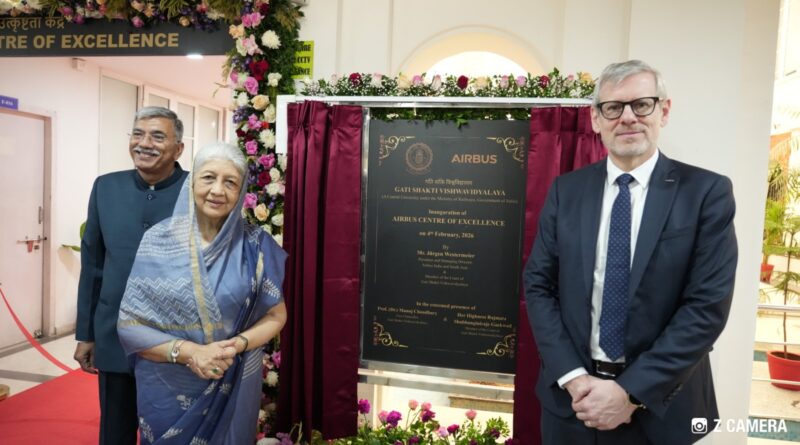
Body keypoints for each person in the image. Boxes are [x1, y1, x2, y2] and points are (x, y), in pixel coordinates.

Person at [524, 60, 738, 445]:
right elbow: (538, 286)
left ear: (664, 111)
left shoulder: (706, 193)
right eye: (613, 107)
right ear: (596, 119)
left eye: (641, 104)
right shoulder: (566, 191)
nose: (627, 118)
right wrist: (574, 378)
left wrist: (630, 393)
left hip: (660, 410)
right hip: (572, 405)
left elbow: (706, 307)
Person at [117, 141, 288, 444]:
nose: (218, 190)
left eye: (230, 182)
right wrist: (192, 353)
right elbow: (130, 326)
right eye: (209, 177)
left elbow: (276, 315)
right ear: (192, 182)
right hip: (167, 388)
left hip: (232, 381)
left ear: (241, 191)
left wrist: (237, 345)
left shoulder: (256, 246)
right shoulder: (158, 241)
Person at [74, 106, 188, 444]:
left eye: (157, 136)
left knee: (172, 432)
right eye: (138, 134)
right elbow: (93, 264)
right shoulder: (106, 187)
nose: (144, 143)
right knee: (115, 430)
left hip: (177, 337)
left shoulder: (196, 189)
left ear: (178, 148)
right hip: (115, 335)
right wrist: (86, 333)